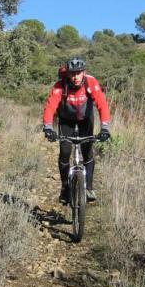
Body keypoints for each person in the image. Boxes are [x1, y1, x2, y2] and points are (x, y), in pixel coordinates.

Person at [42, 57, 110, 204]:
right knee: (65, 152)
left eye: (79, 73)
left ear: (83, 72)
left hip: (86, 119)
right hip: (66, 120)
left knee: (87, 151)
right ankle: (65, 188)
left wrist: (105, 127)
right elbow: (50, 105)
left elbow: (102, 104)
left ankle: (89, 188)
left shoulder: (91, 82)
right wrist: (48, 127)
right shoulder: (60, 85)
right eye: (72, 73)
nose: (76, 76)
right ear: (67, 74)